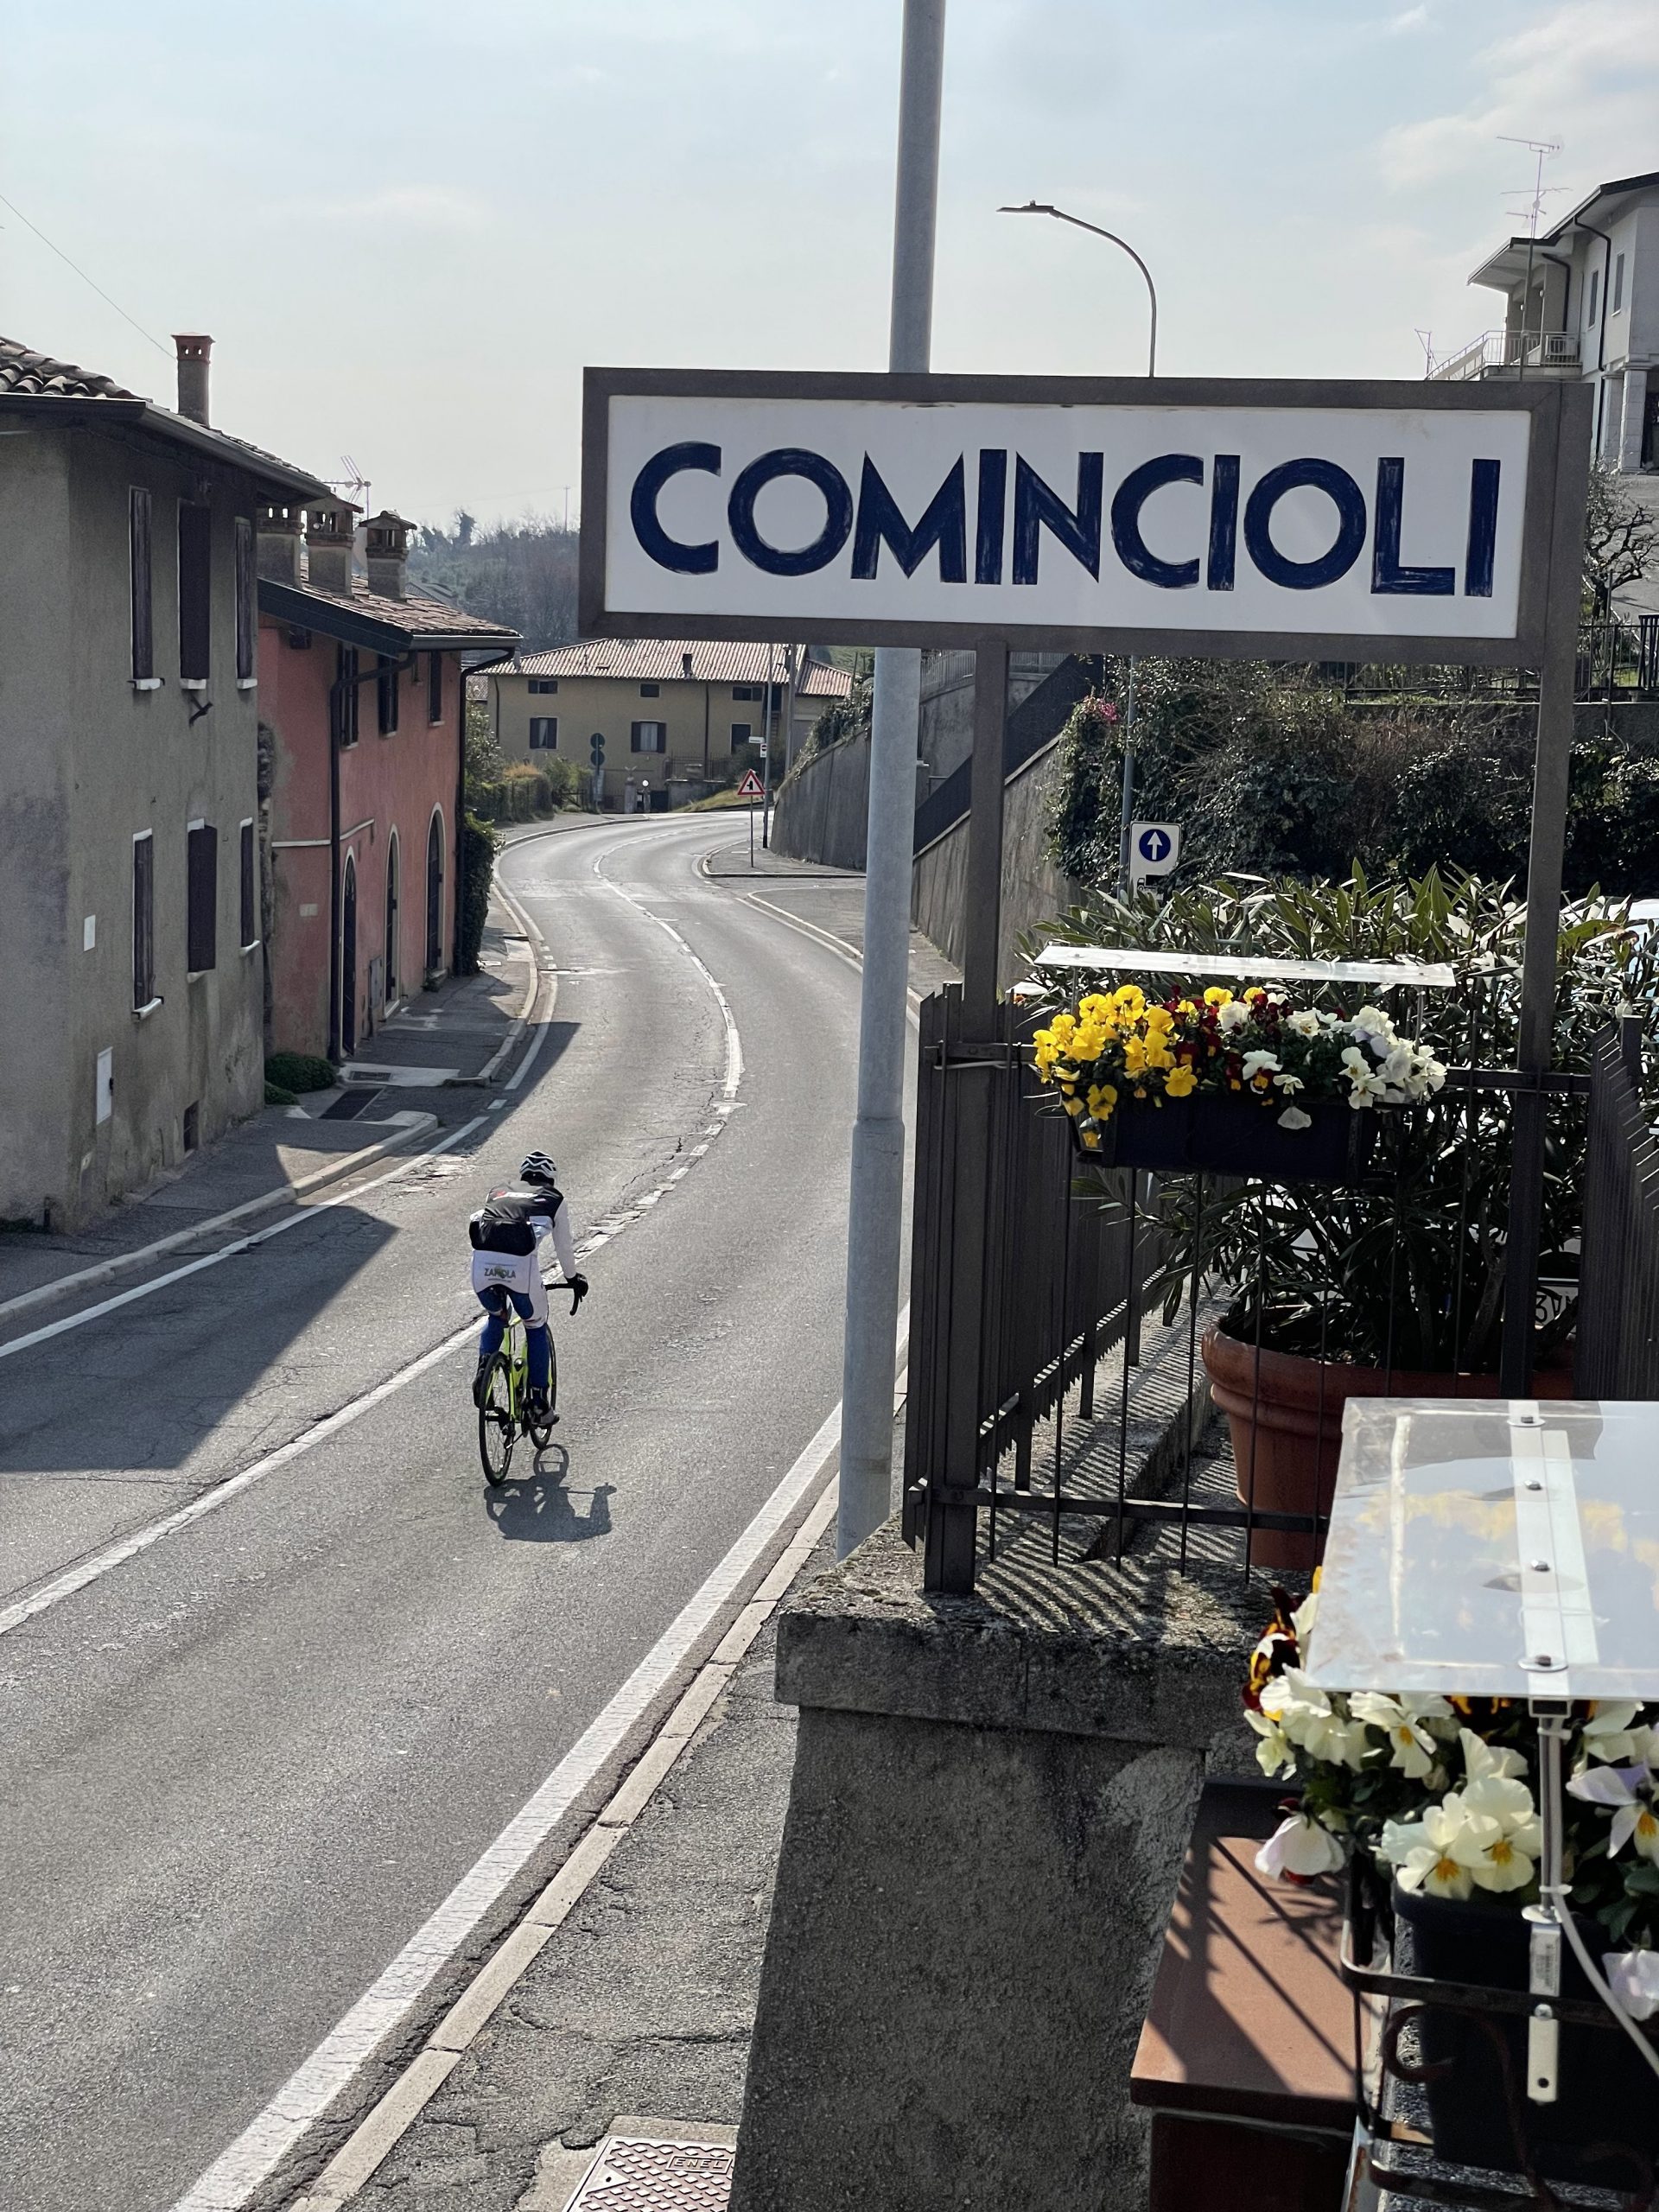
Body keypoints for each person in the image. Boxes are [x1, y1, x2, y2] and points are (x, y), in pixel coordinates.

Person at [469, 1153, 588, 1423]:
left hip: (481, 1267)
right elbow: (564, 1248)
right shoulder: (554, 1199)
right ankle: (538, 1404)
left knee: (497, 1316)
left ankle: (484, 1370)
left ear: (523, 1175)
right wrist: (572, 1278)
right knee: (535, 1325)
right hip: (520, 1269)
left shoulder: (497, 1191)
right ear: (550, 1179)